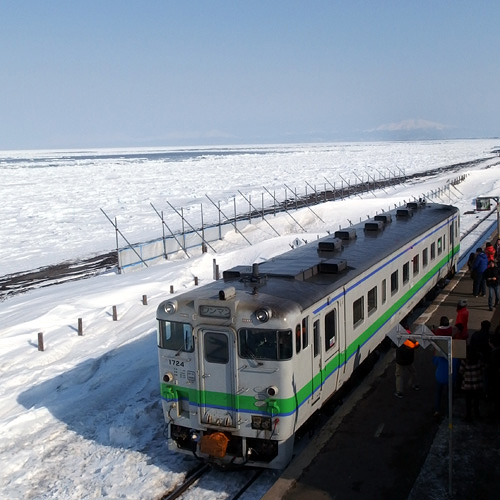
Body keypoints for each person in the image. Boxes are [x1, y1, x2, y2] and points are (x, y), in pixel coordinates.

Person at [394, 322, 419, 399]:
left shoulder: (399, 338)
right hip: (409, 360)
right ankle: (414, 384)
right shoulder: (413, 338)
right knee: (413, 372)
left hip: (400, 361)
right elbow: (417, 346)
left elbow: (392, 345)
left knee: (399, 375)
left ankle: (399, 392)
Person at [459, 346, 484, 422]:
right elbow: (482, 369)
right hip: (477, 384)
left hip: (468, 385)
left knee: (468, 402)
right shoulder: (478, 359)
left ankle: (468, 416)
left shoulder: (465, 361)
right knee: (476, 401)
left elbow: (461, 371)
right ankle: (477, 414)